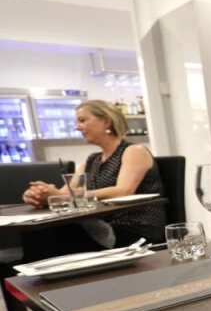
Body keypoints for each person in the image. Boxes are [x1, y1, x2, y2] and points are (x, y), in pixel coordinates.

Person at [21, 100, 165, 247]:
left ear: (107, 121)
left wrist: (62, 196)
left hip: (134, 227)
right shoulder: (91, 161)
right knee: (43, 232)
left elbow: (123, 191)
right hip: (99, 224)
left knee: (57, 235)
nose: (77, 127)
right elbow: (64, 193)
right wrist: (41, 195)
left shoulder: (134, 151)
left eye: (82, 120)